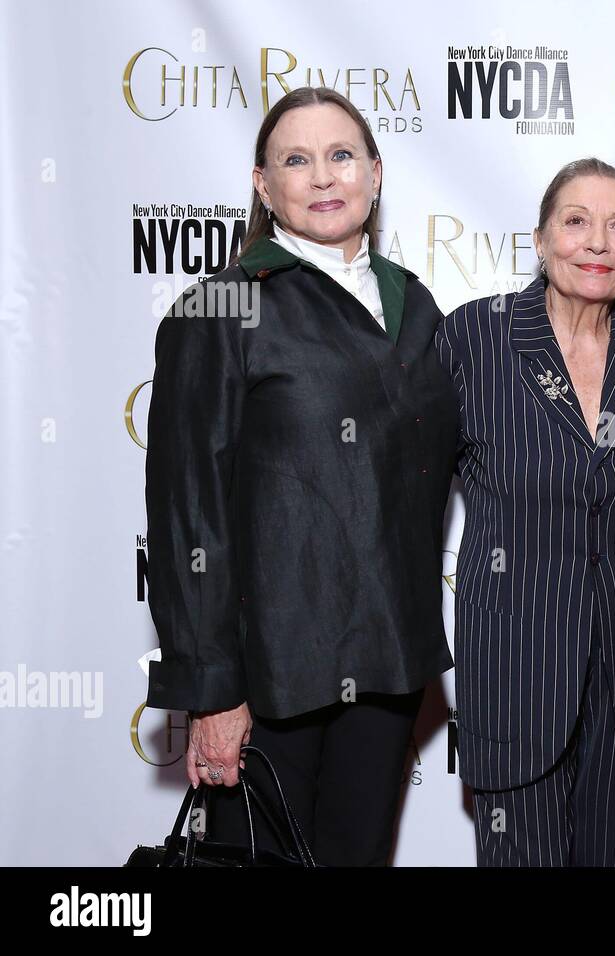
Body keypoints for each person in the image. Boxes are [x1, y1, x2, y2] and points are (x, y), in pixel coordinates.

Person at [145, 86, 459, 866]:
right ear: (263, 186)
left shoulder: (414, 304)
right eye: (296, 160)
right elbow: (190, 515)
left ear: (375, 174)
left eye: (341, 156)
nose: (323, 178)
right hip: (271, 681)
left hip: (387, 669)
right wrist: (214, 692)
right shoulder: (222, 309)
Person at [435, 159, 615, 866]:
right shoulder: (475, 339)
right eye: (576, 222)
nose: (597, 242)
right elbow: (407, 494)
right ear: (541, 240)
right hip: (516, 677)